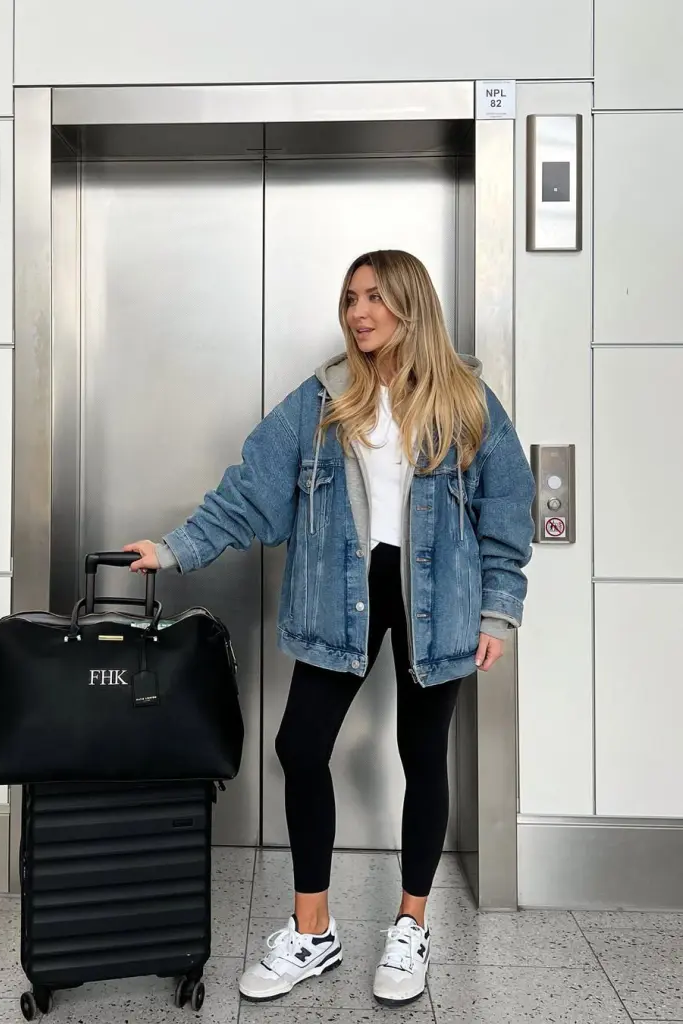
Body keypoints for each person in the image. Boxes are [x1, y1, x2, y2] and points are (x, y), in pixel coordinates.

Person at [124, 250, 535, 1007]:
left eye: (374, 297)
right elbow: (249, 491)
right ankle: (313, 931)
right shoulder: (321, 400)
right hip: (339, 592)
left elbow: (506, 511)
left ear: (411, 305)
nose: (357, 313)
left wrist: (497, 610)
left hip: (435, 597)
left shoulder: (466, 400)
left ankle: (411, 925)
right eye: (350, 298)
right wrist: (173, 549)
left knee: (420, 753)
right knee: (299, 746)